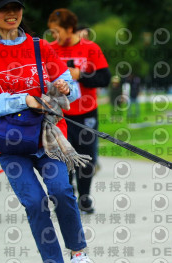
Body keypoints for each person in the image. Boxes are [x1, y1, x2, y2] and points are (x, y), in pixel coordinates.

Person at [0, 0, 99, 263]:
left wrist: (66, 87)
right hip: (11, 143)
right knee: (35, 202)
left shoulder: (40, 47)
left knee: (63, 191)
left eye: (16, 7)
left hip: (48, 137)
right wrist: (23, 100)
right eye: (3, 10)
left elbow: (69, 85)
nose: (11, 14)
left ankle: (79, 254)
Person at [48, 8, 111, 214]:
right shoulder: (50, 49)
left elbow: (104, 79)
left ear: (70, 28)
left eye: (57, 31)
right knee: (63, 157)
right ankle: (68, 196)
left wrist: (80, 75)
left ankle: (84, 197)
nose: (54, 36)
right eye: (52, 32)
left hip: (86, 113)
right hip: (60, 114)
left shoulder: (91, 48)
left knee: (86, 157)